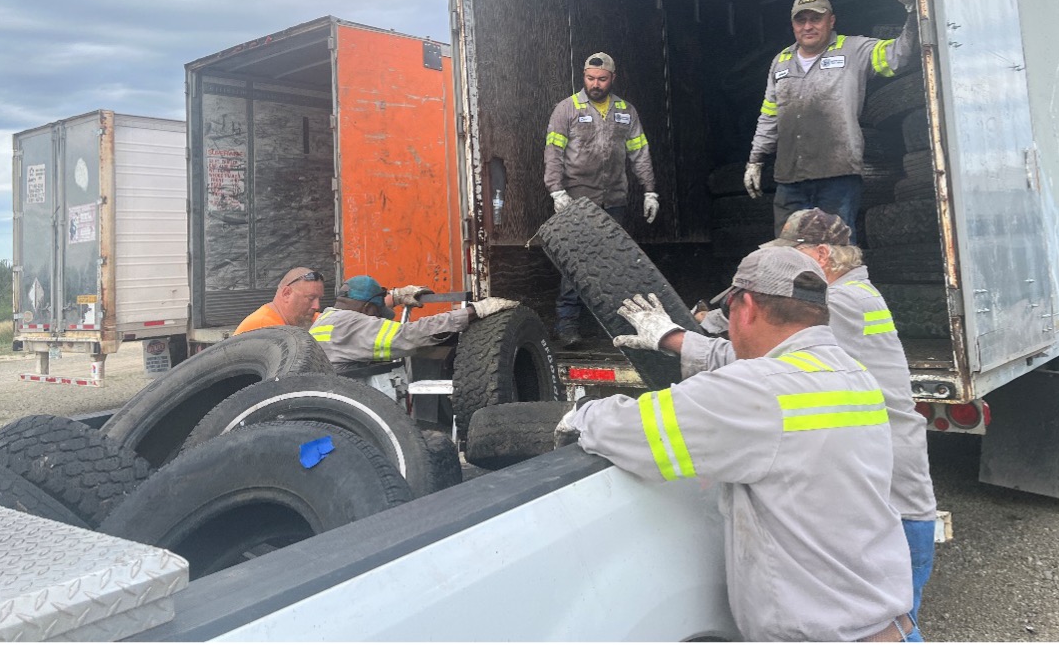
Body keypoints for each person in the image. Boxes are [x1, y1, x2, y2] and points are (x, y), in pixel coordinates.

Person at [559, 247, 919, 642]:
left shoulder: (760, 393)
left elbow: (634, 432)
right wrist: (674, 339)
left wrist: (581, 413)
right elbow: (756, 370)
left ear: (745, 307)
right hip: (889, 629)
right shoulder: (852, 374)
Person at [764, 208, 938, 621]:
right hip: (894, 494)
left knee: (889, 629)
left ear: (822, 254)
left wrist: (681, 339)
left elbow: (765, 359)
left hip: (892, 507)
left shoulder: (839, 303)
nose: (786, 265)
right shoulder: (857, 294)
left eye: (794, 255)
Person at [744, 0, 918, 241]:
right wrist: (755, 160)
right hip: (790, 180)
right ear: (793, 25)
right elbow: (769, 115)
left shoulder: (854, 50)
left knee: (837, 253)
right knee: (788, 255)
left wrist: (911, 10)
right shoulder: (781, 61)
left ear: (831, 20)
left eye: (816, 18)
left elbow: (900, 56)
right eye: (801, 20)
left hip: (837, 175)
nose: (808, 26)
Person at [544, 51, 658, 343]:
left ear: (612, 79)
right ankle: (567, 325)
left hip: (615, 199)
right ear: (584, 76)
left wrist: (650, 191)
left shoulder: (626, 111)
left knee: (613, 263)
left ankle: (612, 327)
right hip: (577, 198)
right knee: (575, 262)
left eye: (602, 79)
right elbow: (553, 154)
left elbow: (640, 153)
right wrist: (556, 190)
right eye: (590, 78)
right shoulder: (566, 109)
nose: (595, 84)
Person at [309, 274, 519, 374]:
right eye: (377, 314)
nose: (378, 319)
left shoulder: (325, 321)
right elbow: (410, 335)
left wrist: (396, 296)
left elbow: (365, 307)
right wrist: (473, 311)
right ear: (367, 310)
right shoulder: (354, 324)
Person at [233, 267, 326, 335]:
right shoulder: (263, 327)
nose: (316, 306)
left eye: (319, 298)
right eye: (311, 298)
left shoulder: (309, 318)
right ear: (286, 294)